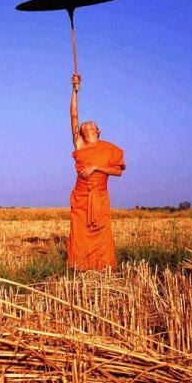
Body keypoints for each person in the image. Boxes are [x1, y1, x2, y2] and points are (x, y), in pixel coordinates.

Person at [68, 73, 125, 270]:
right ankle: (80, 266)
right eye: (85, 124)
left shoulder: (110, 149)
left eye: (91, 124)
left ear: (98, 130)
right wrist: (74, 90)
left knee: (101, 230)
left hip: (100, 196)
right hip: (82, 196)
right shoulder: (79, 144)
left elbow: (118, 172)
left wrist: (96, 167)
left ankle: (102, 266)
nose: (87, 123)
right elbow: (73, 115)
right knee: (80, 230)